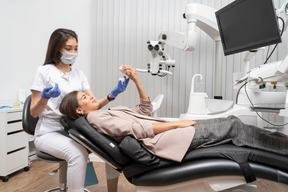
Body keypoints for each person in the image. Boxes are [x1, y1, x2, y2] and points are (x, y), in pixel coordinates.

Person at [59, 65, 288, 163]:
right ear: (80, 110)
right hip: (168, 140)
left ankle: (282, 142)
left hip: (171, 134)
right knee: (234, 128)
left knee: (231, 122)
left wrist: (137, 80)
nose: (90, 96)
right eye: (85, 98)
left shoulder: (106, 112)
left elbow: (144, 110)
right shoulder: (96, 118)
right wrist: (177, 125)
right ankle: (284, 148)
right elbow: (139, 130)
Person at [30, 28, 127, 192]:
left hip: (76, 129)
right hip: (49, 132)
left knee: (111, 145)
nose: (73, 52)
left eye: (76, 48)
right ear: (57, 49)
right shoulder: (43, 72)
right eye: (68, 48)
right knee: (77, 153)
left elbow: (93, 106)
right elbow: (33, 112)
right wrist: (44, 98)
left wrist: (112, 95)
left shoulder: (79, 74)